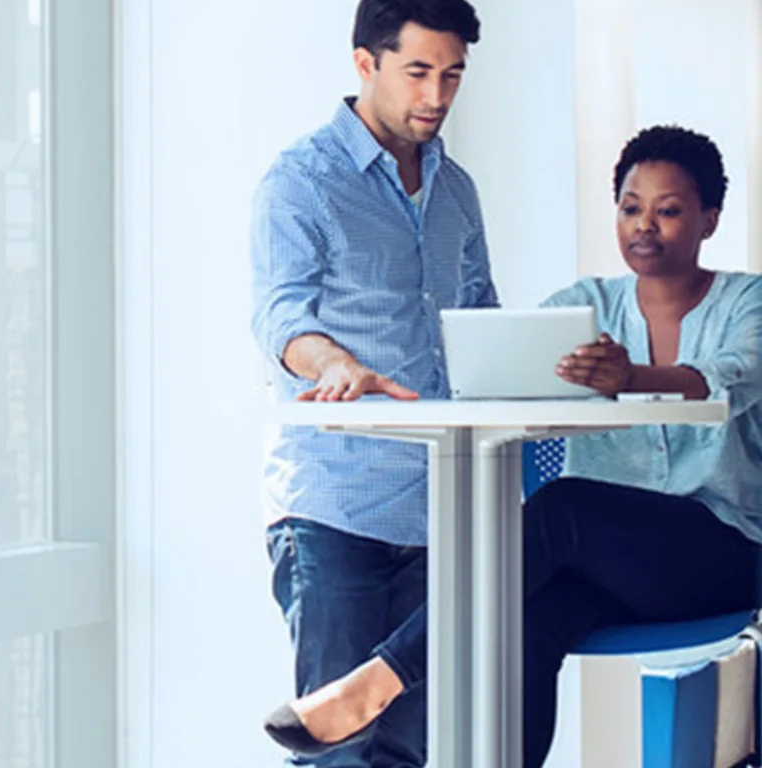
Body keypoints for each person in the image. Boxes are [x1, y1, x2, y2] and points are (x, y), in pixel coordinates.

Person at [263, 125, 762, 767]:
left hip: (723, 553)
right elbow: (503, 367)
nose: (645, 225)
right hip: (613, 572)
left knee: (563, 506)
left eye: (668, 211)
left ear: (710, 219)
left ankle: (380, 678)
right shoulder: (585, 307)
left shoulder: (748, 301)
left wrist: (631, 378)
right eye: (631, 207)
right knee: (525, 623)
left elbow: (733, 374)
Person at [249, 0, 495, 768]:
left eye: (451, 74)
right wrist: (334, 362)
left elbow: (481, 321)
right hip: (337, 510)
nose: (437, 94)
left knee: (420, 751)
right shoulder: (302, 183)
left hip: (443, 511)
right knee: (340, 753)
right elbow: (282, 315)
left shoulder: (456, 191)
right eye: (418, 72)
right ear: (366, 63)